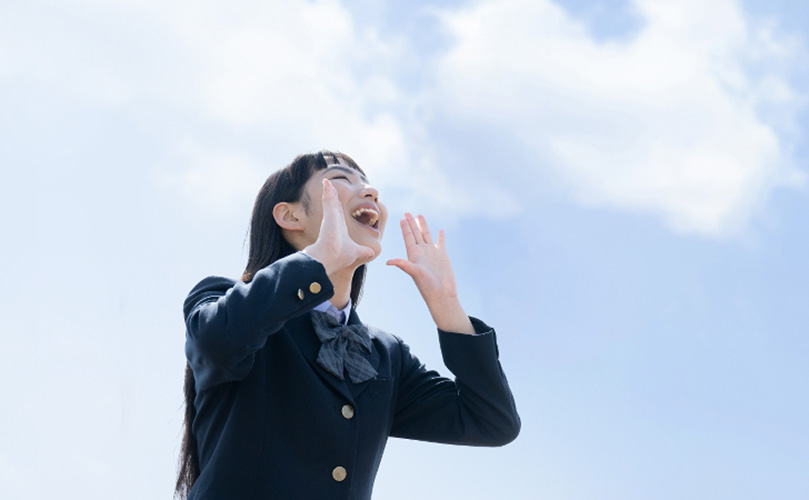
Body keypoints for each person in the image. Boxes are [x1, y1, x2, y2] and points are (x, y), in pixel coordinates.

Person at [175, 151, 520, 500]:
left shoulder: (386, 355)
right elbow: (216, 340)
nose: (369, 191)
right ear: (290, 215)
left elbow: (491, 421)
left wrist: (447, 306)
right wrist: (318, 258)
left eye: (369, 184)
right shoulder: (225, 299)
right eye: (342, 178)